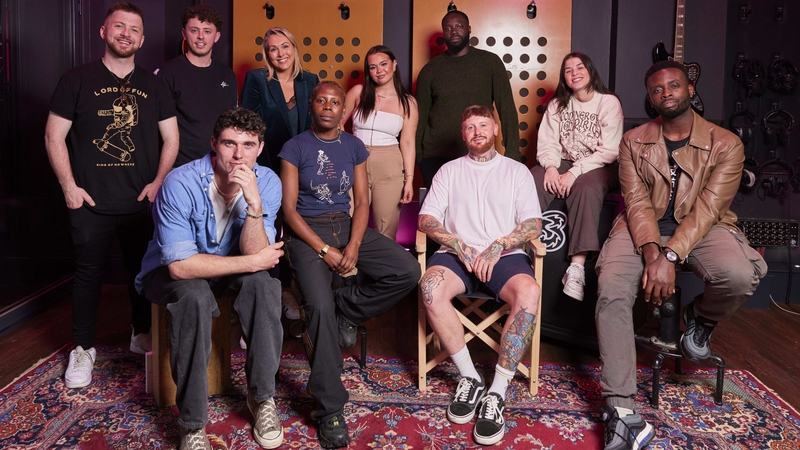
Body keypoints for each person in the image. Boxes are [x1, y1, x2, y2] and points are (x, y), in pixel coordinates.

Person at [595, 60, 767, 450]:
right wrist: (656, 254)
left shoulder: (727, 143)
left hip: (705, 226)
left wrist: (669, 259)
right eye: (657, 89)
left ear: (690, 88)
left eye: (674, 86)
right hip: (643, 228)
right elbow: (637, 202)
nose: (666, 93)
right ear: (650, 98)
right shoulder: (633, 140)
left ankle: (699, 321)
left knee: (740, 273)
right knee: (611, 287)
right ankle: (621, 411)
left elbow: (708, 207)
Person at [44, 1, 179, 389]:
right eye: (118, 26)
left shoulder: (154, 85)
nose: (126, 33)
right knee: (88, 275)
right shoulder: (77, 79)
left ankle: (140, 334)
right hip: (89, 200)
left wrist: (158, 182)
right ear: (103, 32)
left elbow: (171, 138)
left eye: (133, 29)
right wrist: (69, 186)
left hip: (141, 200)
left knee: (143, 272)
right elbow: (54, 136)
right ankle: (84, 349)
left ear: (142, 38)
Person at [279, 81, 420, 448]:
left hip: (347, 227)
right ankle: (329, 409)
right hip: (307, 234)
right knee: (319, 308)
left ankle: (348, 306)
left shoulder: (354, 146)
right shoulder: (295, 147)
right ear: (312, 105)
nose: (328, 106)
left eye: (335, 102)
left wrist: (354, 245)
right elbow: (289, 211)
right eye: (321, 100)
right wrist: (326, 251)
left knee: (407, 271)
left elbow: (361, 202)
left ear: (345, 109)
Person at [136, 107, 285, 450]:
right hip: (171, 271)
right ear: (213, 144)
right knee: (194, 295)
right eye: (230, 144)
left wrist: (254, 203)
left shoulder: (267, 182)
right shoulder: (181, 181)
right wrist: (253, 263)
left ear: (259, 148)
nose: (238, 155)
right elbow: (180, 267)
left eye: (248, 145)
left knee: (265, 286)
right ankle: (192, 423)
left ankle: (262, 399)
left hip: (231, 263)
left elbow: (257, 259)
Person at [419, 105, 542, 446]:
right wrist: (458, 244)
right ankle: (470, 378)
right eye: (470, 126)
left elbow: (534, 223)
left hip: (503, 257)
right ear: (463, 134)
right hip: (458, 257)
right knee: (429, 287)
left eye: (483, 125)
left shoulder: (517, 172)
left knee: (529, 292)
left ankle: (497, 393)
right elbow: (426, 219)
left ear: (496, 130)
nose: (477, 131)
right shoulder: (449, 171)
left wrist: (499, 244)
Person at [531, 52, 623, 301]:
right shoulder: (558, 104)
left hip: (600, 164)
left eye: (580, 67)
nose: (574, 73)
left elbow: (610, 150)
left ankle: (577, 267)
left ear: (591, 71)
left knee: (585, 189)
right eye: (568, 70)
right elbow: (548, 142)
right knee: (532, 179)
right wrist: (551, 167)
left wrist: (574, 172)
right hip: (563, 160)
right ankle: (521, 248)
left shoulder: (608, 102)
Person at [242, 26, 320, 320]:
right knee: (267, 229)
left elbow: (314, 128)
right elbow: (249, 125)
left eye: (285, 46)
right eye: (273, 49)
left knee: (300, 228)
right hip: (267, 166)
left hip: (301, 168)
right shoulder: (257, 79)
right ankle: (266, 299)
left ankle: (297, 293)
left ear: (294, 47)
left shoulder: (310, 80)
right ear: (267, 53)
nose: (280, 54)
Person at [415, 9, 520, 188]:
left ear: (469, 29)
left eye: (459, 26)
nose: (453, 31)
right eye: (448, 28)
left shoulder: (490, 63)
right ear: (443, 34)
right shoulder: (429, 70)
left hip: (479, 154)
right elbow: (419, 117)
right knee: (439, 214)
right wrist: (417, 157)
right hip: (436, 158)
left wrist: (512, 155)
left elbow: (507, 110)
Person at [341, 45, 418, 240]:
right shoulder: (358, 92)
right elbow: (337, 124)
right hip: (356, 161)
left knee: (386, 229)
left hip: (389, 164)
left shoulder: (408, 102)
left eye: (383, 64)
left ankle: (381, 270)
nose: (379, 70)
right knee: (346, 220)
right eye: (373, 67)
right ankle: (347, 269)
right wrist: (345, 153)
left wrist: (409, 180)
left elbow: (407, 142)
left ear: (394, 65)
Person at [156, 4, 238, 167]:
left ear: (217, 36)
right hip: (180, 168)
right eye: (194, 30)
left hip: (218, 166)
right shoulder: (166, 73)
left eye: (207, 31)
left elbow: (232, 124)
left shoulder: (227, 75)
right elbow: (156, 130)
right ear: (184, 34)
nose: (201, 36)